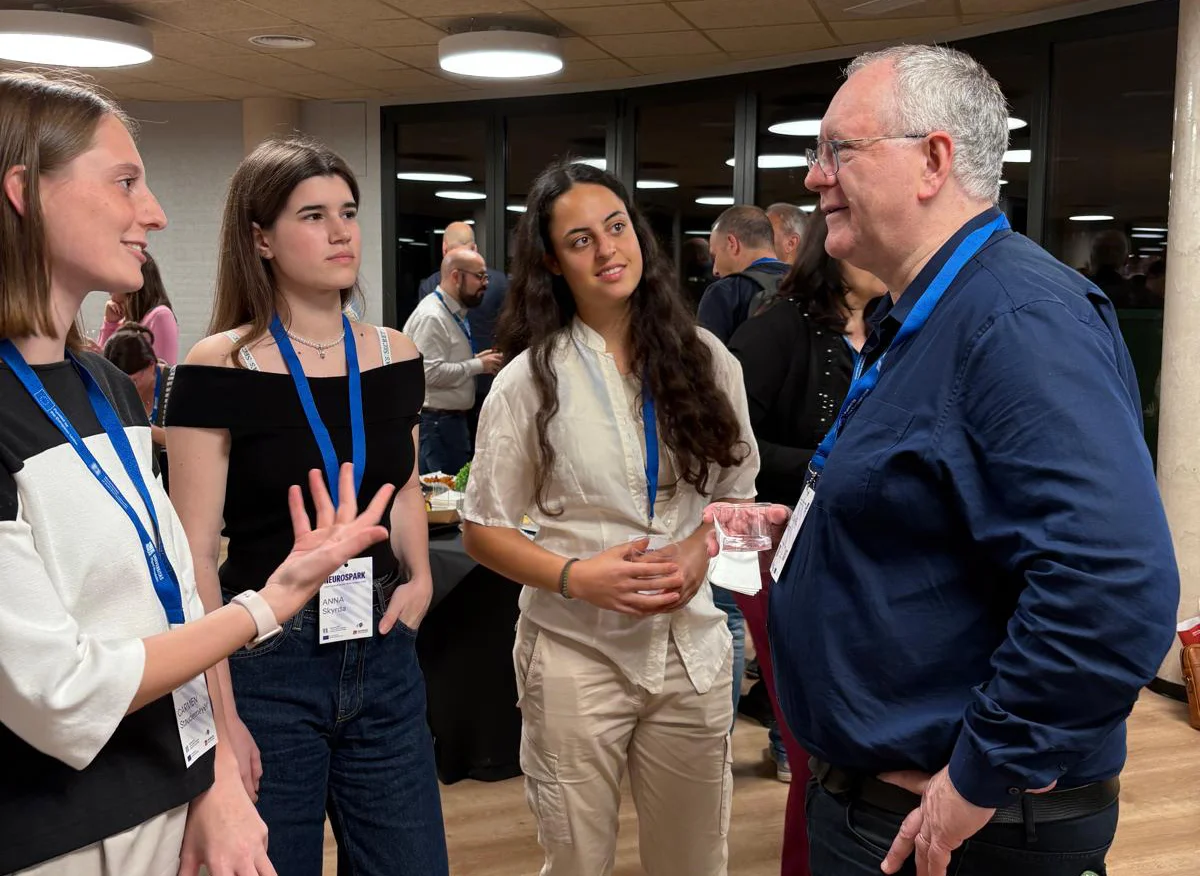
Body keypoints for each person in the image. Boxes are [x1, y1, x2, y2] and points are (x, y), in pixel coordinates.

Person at [762, 44, 1178, 876]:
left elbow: (1112, 587)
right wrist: (825, 534)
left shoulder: (1015, 319)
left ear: (933, 160)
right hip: (882, 805)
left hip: (946, 831)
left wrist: (980, 776)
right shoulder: (935, 308)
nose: (814, 177)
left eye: (839, 150)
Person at [0, 70, 395, 876]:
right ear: (24, 192)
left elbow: (168, 596)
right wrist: (267, 603)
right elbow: (63, 691)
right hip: (59, 837)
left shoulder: (105, 386)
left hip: (166, 800)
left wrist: (210, 773)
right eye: (126, 182)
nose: (155, 212)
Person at [461, 159, 760, 876]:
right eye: (580, 240)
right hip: (577, 653)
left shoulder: (709, 361)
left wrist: (699, 549)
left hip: (690, 651)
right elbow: (482, 528)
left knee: (696, 861)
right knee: (576, 860)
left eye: (616, 227)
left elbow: (740, 497)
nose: (607, 250)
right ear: (552, 263)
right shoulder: (529, 381)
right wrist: (576, 577)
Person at [167, 135, 449, 876]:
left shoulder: (394, 354)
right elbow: (194, 554)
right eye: (313, 215)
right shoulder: (219, 365)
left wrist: (420, 576)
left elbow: (403, 484)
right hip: (268, 655)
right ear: (260, 238)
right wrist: (221, 720)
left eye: (348, 212)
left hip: (382, 647)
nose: (340, 232)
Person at [726, 209, 884, 876]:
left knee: (847, 739)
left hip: (862, 554)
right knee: (811, 738)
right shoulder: (779, 328)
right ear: (835, 248)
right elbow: (730, 442)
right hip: (780, 549)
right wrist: (829, 465)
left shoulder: (896, 327)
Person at [403, 248, 503, 475]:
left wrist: (475, 360)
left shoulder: (450, 312)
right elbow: (428, 373)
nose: (486, 284)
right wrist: (478, 366)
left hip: (448, 424)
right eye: (479, 276)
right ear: (456, 276)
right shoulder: (432, 316)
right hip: (438, 425)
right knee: (444, 494)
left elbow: (440, 361)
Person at [697, 205, 790, 344]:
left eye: (715, 256)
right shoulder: (807, 284)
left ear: (732, 244)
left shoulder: (724, 292)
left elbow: (706, 355)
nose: (715, 270)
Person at [102, 323, 173, 484]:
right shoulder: (114, 390)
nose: (125, 389)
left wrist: (144, 426)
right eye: (119, 384)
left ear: (151, 365)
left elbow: (188, 444)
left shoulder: (175, 385)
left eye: (133, 381)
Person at [100, 252, 179, 365]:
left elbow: (161, 371)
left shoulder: (161, 316)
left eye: (113, 277)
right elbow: (101, 367)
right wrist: (110, 323)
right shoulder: (126, 323)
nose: (108, 288)